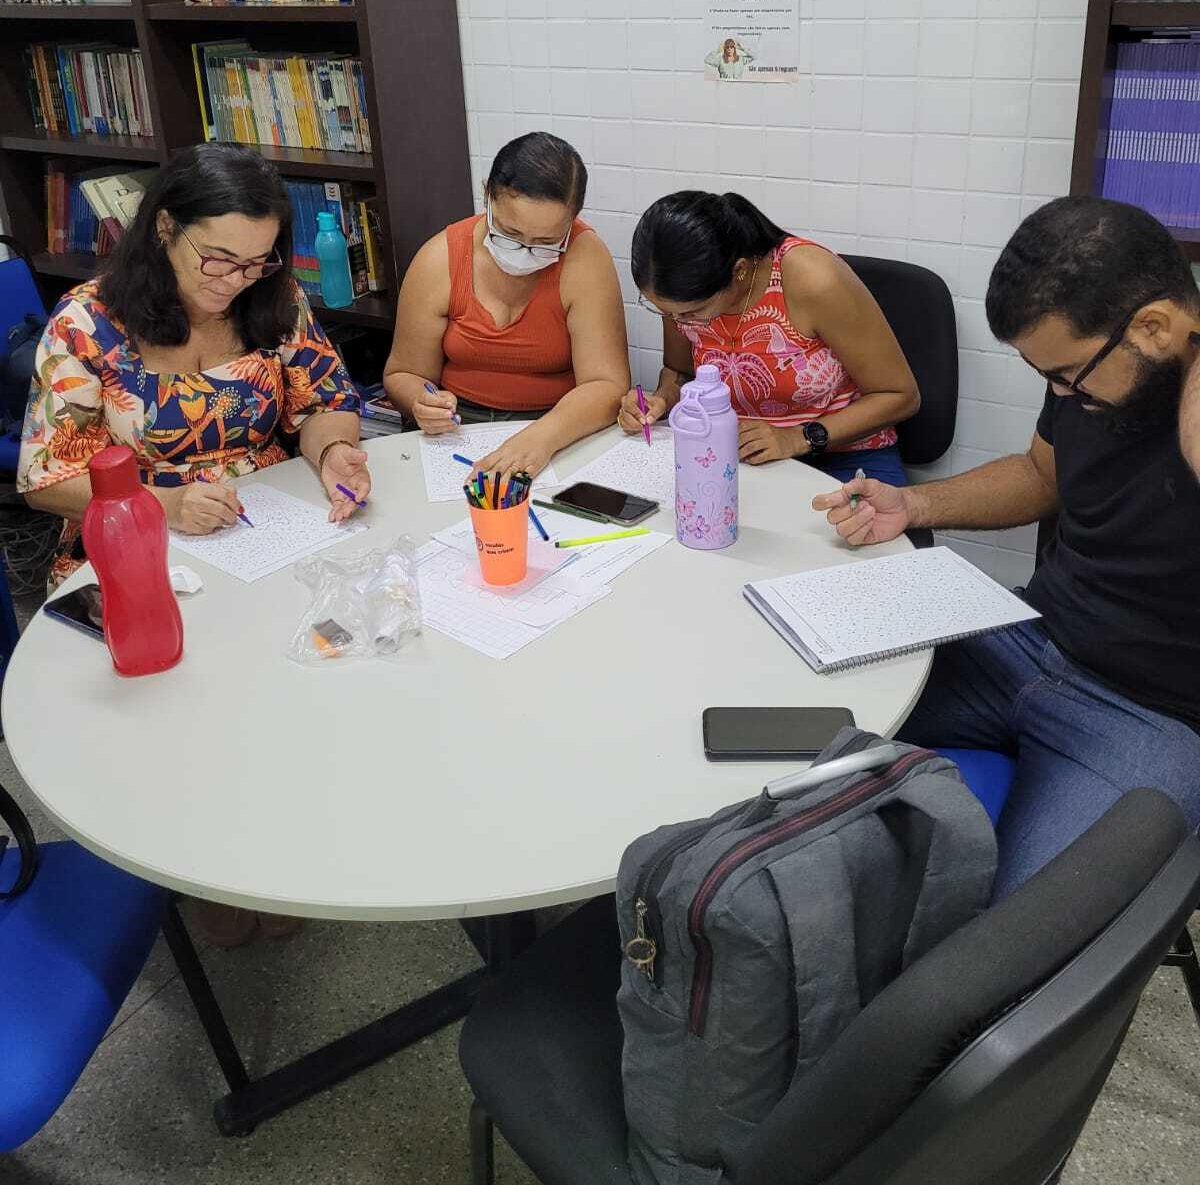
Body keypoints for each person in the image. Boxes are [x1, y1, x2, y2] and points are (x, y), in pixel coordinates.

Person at [19, 143, 369, 946]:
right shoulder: (90, 324)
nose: (235, 280)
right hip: (134, 539)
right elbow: (46, 478)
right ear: (165, 227)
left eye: (256, 261)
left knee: (317, 653)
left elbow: (327, 399)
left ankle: (284, 829)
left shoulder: (270, 298)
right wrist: (165, 504)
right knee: (184, 696)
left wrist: (333, 450)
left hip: (265, 525)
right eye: (217, 258)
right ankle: (195, 850)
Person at [813, 196, 1200, 900]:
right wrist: (915, 505)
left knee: (1019, 955)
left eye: (1066, 375)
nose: (1059, 391)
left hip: (1151, 716)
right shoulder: (1097, 371)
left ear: (1156, 326)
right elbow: (1038, 474)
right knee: (785, 706)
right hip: (1024, 640)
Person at [619, 191, 919, 483]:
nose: (679, 322)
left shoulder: (812, 280)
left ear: (739, 271)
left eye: (693, 313)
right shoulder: (679, 298)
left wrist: (798, 438)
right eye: (666, 311)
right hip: (739, 456)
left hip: (844, 458)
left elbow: (899, 397)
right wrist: (661, 399)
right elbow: (680, 371)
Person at [384, 131, 629, 478]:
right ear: (488, 196)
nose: (525, 254)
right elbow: (402, 373)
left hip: (556, 428)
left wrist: (542, 437)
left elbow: (606, 385)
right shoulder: (440, 259)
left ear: (572, 219)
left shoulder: (586, 259)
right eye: (510, 234)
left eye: (546, 242)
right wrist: (421, 402)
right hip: (457, 431)